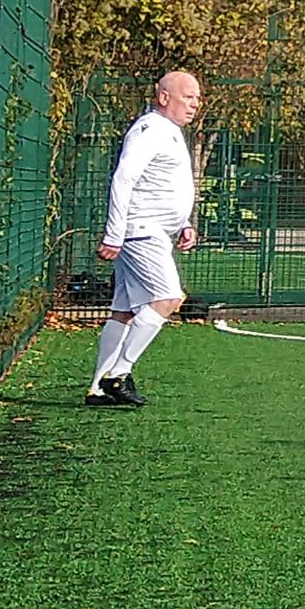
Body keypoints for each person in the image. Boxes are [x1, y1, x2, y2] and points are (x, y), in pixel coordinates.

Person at [90, 70, 204, 406]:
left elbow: (164, 185)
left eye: (197, 98)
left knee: (123, 310)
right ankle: (118, 374)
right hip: (142, 231)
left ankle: (97, 387)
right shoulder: (150, 129)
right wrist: (114, 234)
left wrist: (183, 222)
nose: (195, 103)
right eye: (188, 96)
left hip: (151, 230)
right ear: (164, 96)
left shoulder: (169, 132)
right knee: (168, 297)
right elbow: (123, 179)